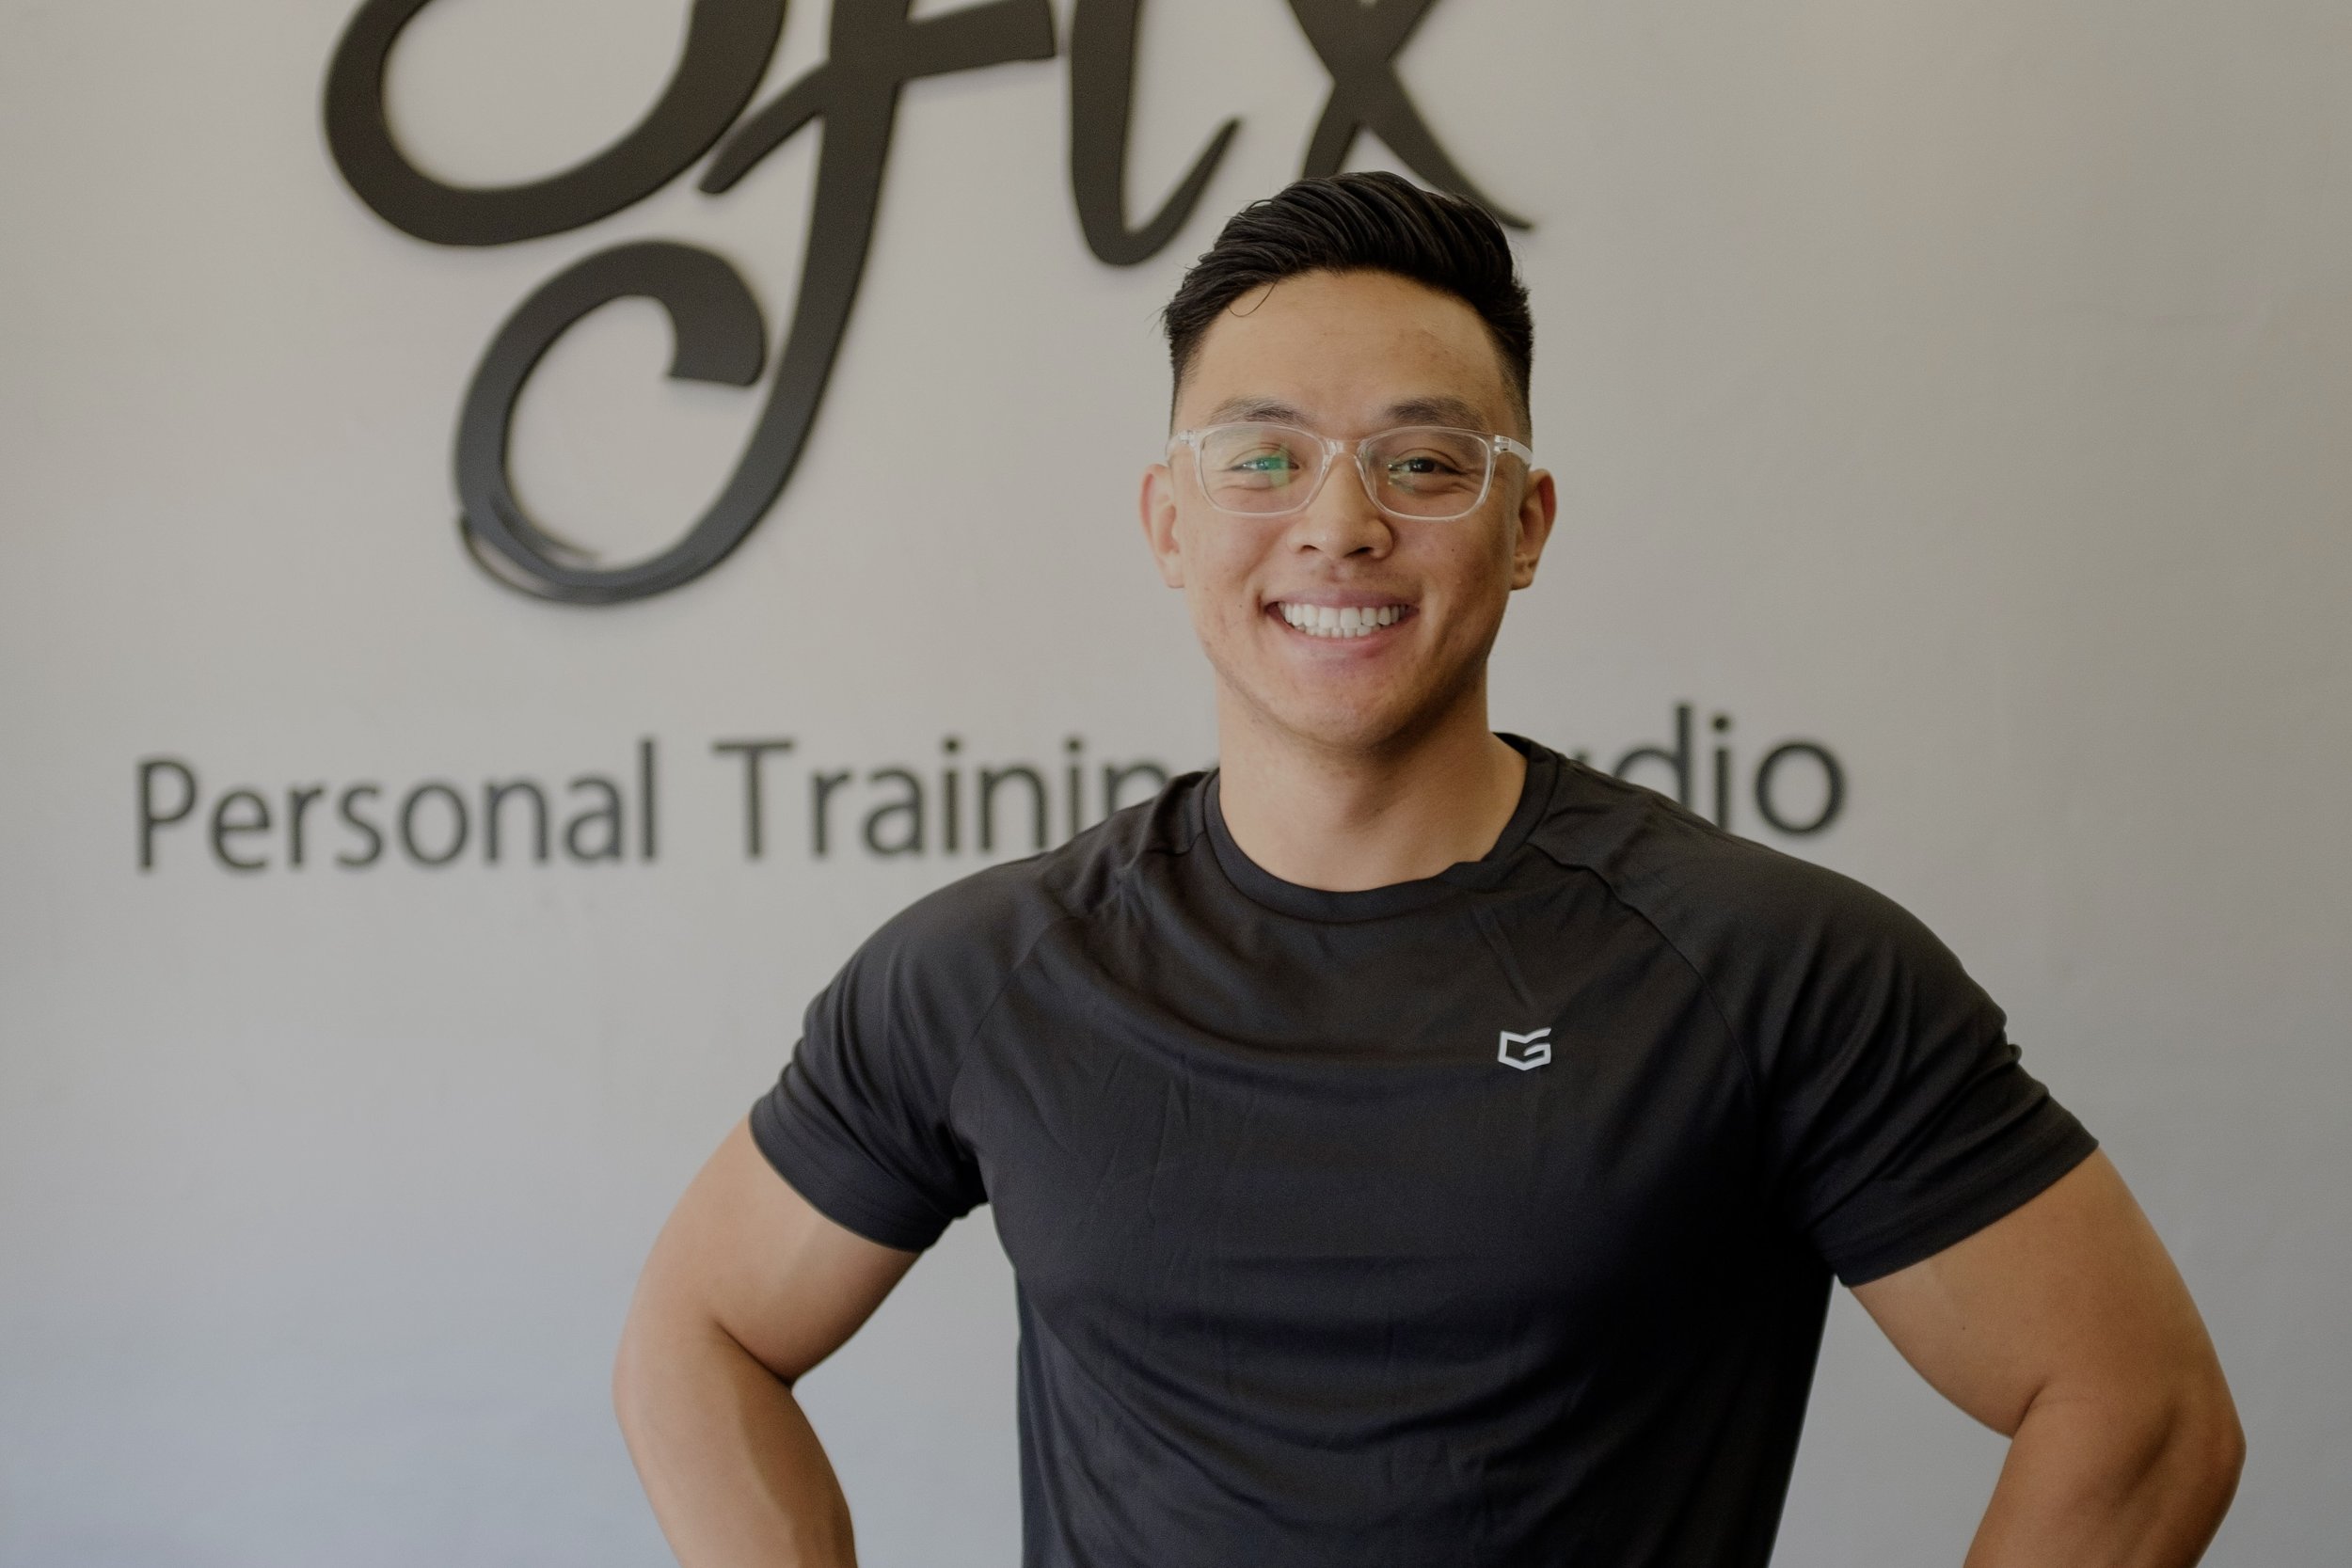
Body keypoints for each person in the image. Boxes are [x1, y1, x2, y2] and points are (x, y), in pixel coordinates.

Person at [612, 172, 2242, 1567]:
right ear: (1170, 524)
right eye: (1260, 458)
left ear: (1525, 525)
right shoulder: (988, 973)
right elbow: (701, 1335)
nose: (1338, 524)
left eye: (1424, 460)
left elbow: (2145, 1414)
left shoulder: (1768, 963)